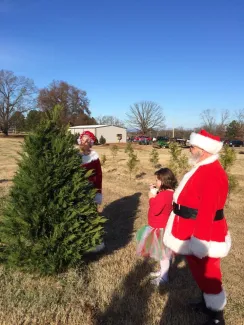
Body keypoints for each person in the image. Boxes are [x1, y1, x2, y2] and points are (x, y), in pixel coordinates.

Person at [163, 130, 231, 325]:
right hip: (190, 230)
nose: (189, 150)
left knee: (210, 273)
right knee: (199, 271)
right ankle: (206, 303)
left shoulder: (211, 173)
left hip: (203, 234)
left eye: (192, 147)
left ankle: (217, 316)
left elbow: (208, 210)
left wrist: (200, 242)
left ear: (203, 150)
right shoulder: (202, 167)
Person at [136, 168, 177, 286]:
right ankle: (162, 272)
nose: (156, 182)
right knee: (163, 253)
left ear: (163, 180)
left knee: (163, 255)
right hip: (163, 227)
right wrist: (156, 192)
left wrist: (151, 197)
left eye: (157, 180)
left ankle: (164, 278)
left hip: (159, 228)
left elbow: (155, 210)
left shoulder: (163, 195)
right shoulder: (170, 193)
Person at [78, 131, 104, 252]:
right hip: (77, 189)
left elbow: (98, 175)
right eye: (83, 139)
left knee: (91, 214)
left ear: (91, 143)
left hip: (90, 188)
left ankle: (93, 240)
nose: (85, 141)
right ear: (80, 140)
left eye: (88, 140)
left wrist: (98, 192)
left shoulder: (94, 156)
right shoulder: (75, 154)